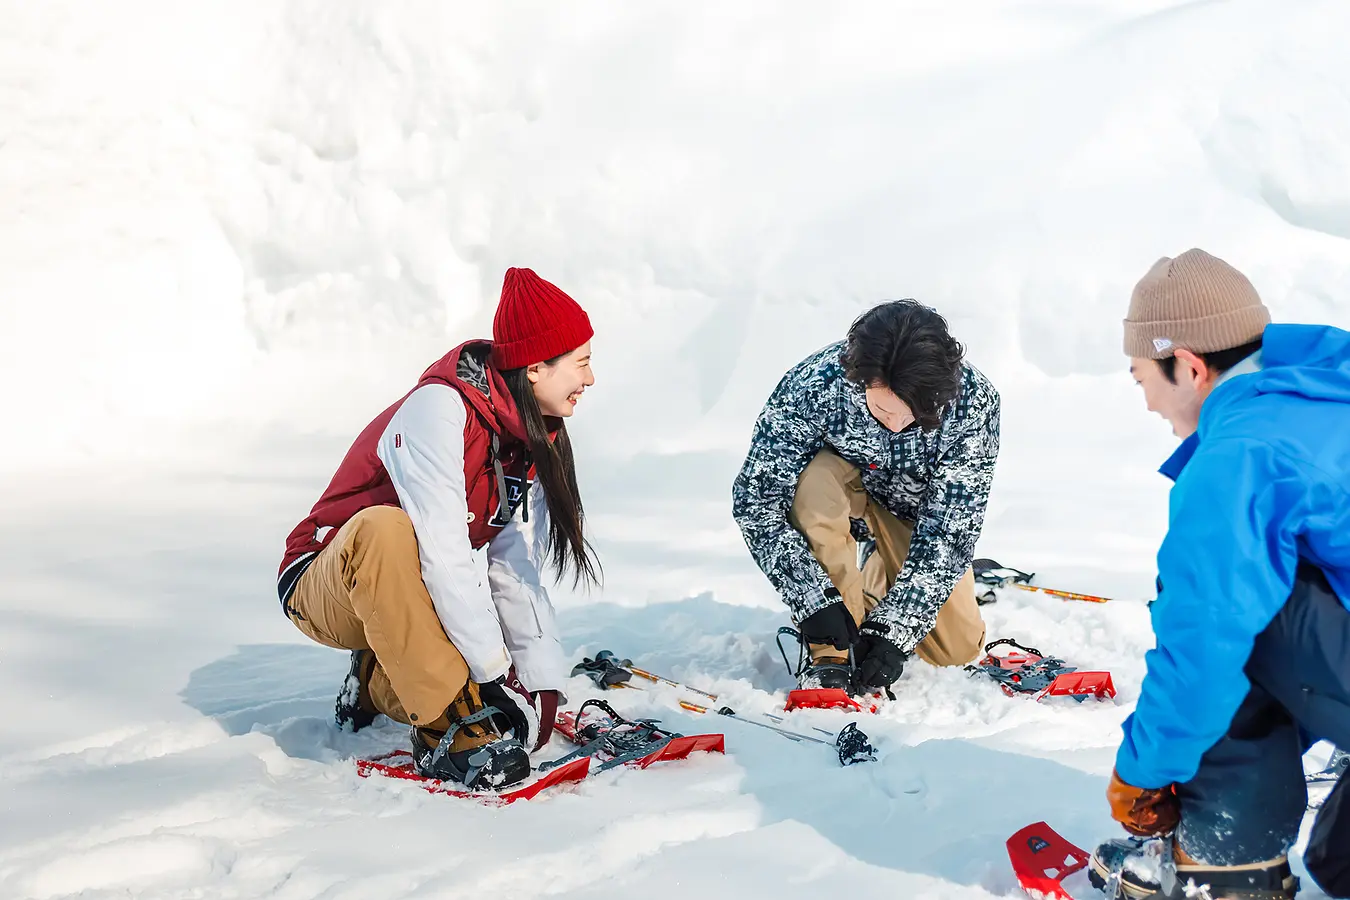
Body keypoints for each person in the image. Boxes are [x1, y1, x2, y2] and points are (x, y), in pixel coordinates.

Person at [275, 268, 599, 791]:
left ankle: (377, 681)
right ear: (536, 367)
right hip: (323, 581)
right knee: (387, 530)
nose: (590, 380)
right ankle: (444, 731)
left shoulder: (530, 437)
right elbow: (445, 550)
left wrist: (539, 682)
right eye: (581, 363)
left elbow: (511, 561)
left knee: (467, 671)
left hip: (393, 591)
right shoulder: (440, 408)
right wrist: (492, 676)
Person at [1089, 249, 1350, 899]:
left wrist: (1146, 769)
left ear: (1191, 365)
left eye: (1142, 378)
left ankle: (1230, 869)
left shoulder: (1243, 453)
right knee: (1342, 862)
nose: (1149, 405)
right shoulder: (1324, 397)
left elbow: (1205, 640)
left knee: (1232, 607)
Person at [732, 300, 1000, 695]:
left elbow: (950, 529)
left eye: (909, 416)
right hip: (837, 496)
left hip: (915, 516)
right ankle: (829, 654)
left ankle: (879, 573)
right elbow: (757, 501)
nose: (895, 425)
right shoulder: (814, 385)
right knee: (814, 482)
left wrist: (898, 628)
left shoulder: (973, 403)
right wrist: (810, 599)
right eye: (882, 411)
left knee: (954, 649)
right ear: (860, 382)